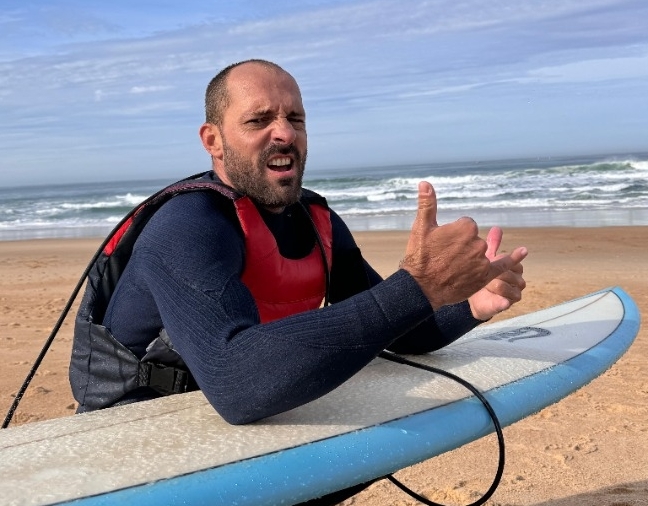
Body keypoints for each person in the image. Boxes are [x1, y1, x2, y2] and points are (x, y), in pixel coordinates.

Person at [69, 58, 526, 503]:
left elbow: (406, 331)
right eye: (259, 120)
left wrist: (469, 303)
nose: (285, 133)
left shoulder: (314, 221)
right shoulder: (188, 226)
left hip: (236, 410)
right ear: (214, 140)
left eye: (296, 119)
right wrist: (418, 285)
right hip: (135, 438)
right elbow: (235, 385)